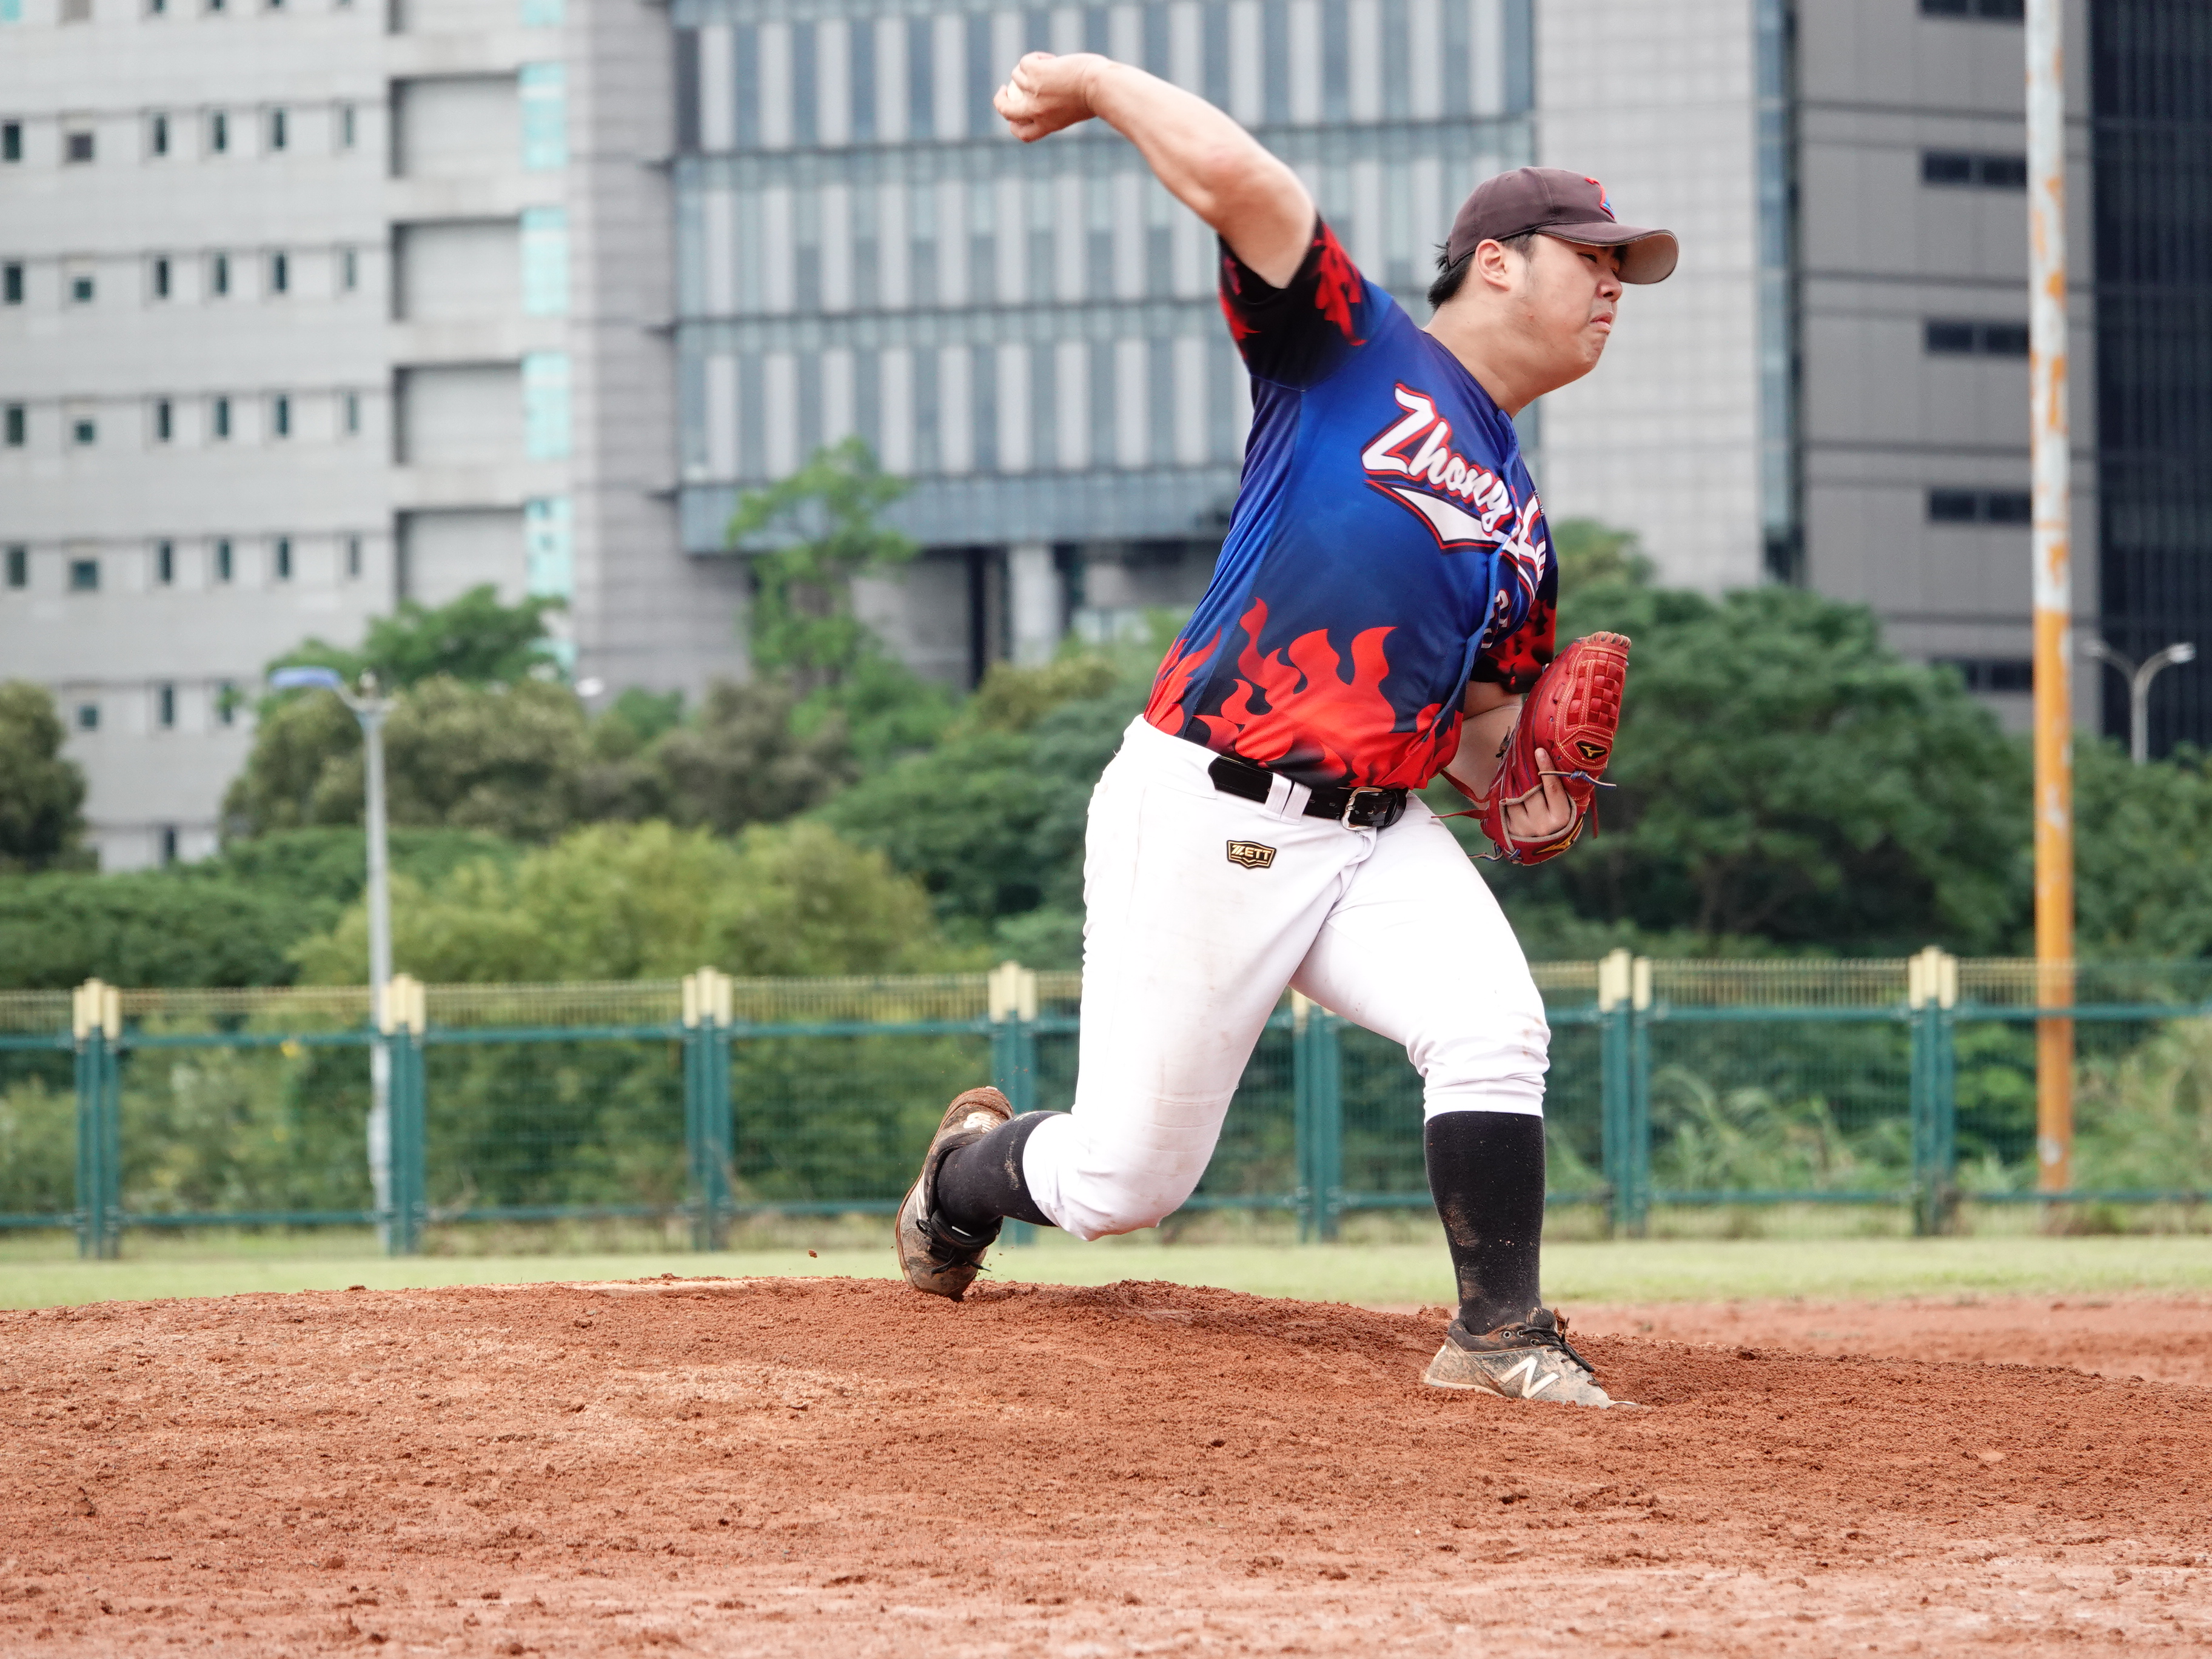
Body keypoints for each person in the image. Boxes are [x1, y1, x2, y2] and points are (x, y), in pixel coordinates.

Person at [894, 50, 1677, 1408]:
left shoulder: (1520, 522)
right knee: (1125, 1183)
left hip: (1374, 830)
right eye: (1592, 257)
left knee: (1494, 1024)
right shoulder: (1351, 350)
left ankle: (1498, 1337)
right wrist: (1097, 82)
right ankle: (964, 1178)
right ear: (1497, 263)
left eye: (1626, 269)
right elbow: (1247, 185)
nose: (1614, 285)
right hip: (1213, 805)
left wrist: (1530, 790)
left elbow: (1485, 730)